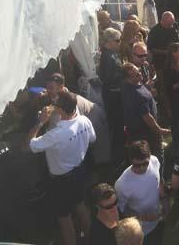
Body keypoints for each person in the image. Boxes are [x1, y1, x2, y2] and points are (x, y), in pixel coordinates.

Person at [28, 91, 96, 245]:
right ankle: (90, 239)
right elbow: (92, 138)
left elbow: (31, 144)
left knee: (64, 219)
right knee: (80, 205)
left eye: (55, 104)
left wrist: (40, 122)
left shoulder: (56, 134)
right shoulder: (84, 121)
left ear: (59, 109)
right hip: (80, 171)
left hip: (61, 181)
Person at [115, 141, 166, 244]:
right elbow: (121, 210)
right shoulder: (122, 184)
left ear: (150, 156)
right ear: (131, 161)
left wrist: (164, 199)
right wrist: (143, 217)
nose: (142, 168)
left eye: (145, 163)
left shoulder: (154, 161)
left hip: (158, 221)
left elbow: (159, 180)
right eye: (137, 165)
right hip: (140, 231)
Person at [122, 62, 170, 163]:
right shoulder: (137, 95)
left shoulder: (133, 85)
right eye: (136, 75)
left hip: (136, 133)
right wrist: (159, 131)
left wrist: (147, 89)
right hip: (147, 135)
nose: (140, 74)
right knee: (156, 158)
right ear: (127, 79)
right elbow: (147, 117)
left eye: (138, 71)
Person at [99, 27, 126, 157]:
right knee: (116, 125)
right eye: (117, 40)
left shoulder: (112, 54)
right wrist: (123, 74)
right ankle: (117, 153)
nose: (119, 42)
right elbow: (108, 78)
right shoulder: (107, 56)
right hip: (113, 96)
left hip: (116, 93)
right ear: (109, 41)